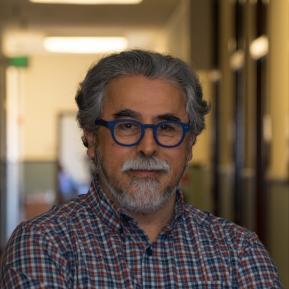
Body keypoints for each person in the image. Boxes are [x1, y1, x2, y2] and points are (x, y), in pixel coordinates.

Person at [0, 50, 282, 288]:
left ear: (190, 143)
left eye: (167, 127)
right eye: (127, 126)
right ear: (92, 138)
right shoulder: (44, 245)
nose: (148, 147)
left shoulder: (240, 252)